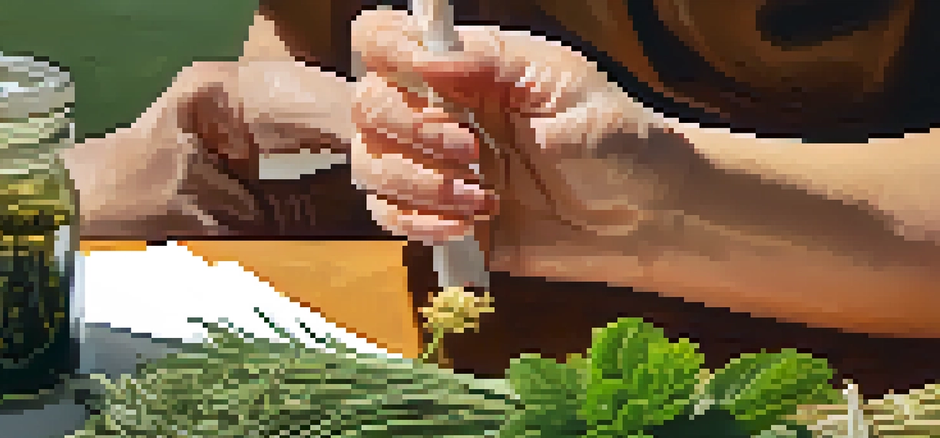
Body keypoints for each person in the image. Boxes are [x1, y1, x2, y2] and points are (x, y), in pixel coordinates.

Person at [62, 3, 940, 340]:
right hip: (463, 379)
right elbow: (308, 55)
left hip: (838, 422)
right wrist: (60, 193)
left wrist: (665, 207)